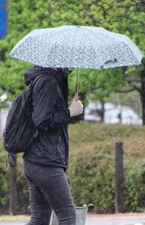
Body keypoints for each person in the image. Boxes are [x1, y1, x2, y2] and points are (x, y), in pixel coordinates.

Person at [22, 65, 83, 225]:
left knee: (39, 220)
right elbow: (42, 120)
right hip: (45, 161)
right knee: (68, 216)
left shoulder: (50, 79)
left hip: (37, 159)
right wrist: (69, 113)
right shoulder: (48, 81)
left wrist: (73, 113)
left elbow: (52, 119)